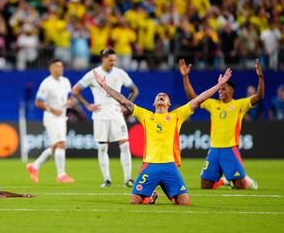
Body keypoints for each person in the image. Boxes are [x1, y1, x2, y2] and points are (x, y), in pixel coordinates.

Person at [92, 67, 233, 205]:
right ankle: (151, 196)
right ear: (154, 103)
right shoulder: (146, 115)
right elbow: (124, 101)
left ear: (169, 103)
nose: (161, 96)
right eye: (158, 96)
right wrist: (104, 86)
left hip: (169, 166)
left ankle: (165, 192)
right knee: (134, 201)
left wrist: (218, 85)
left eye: (164, 96)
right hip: (150, 165)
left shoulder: (177, 116)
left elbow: (198, 99)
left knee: (184, 202)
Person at [178, 58, 264, 190]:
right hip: (213, 149)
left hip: (230, 148)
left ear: (231, 91)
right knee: (205, 186)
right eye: (220, 89)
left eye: (223, 89)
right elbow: (193, 97)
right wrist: (185, 76)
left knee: (241, 187)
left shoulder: (239, 105)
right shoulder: (213, 104)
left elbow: (259, 96)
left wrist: (260, 77)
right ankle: (224, 181)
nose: (220, 91)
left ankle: (246, 180)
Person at [72, 49, 139, 188]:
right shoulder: (93, 74)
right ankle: (107, 179)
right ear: (103, 59)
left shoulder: (120, 73)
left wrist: (126, 106)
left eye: (114, 60)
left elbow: (135, 90)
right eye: (110, 60)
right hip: (100, 113)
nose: (113, 63)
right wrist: (87, 105)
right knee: (102, 147)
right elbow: (75, 90)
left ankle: (128, 179)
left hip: (116, 113)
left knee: (125, 145)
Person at [26, 59, 74, 183]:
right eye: (57, 66)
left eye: (61, 66)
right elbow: (38, 102)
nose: (60, 69)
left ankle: (34, 166)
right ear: (51, 68)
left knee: (55, 146)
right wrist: (51, 109)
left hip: (62, 117)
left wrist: (70, 101)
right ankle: (61, 175)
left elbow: (69, 96)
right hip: (51, 118)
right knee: (61, 144)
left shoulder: (66, 81)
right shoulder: (46, 83)